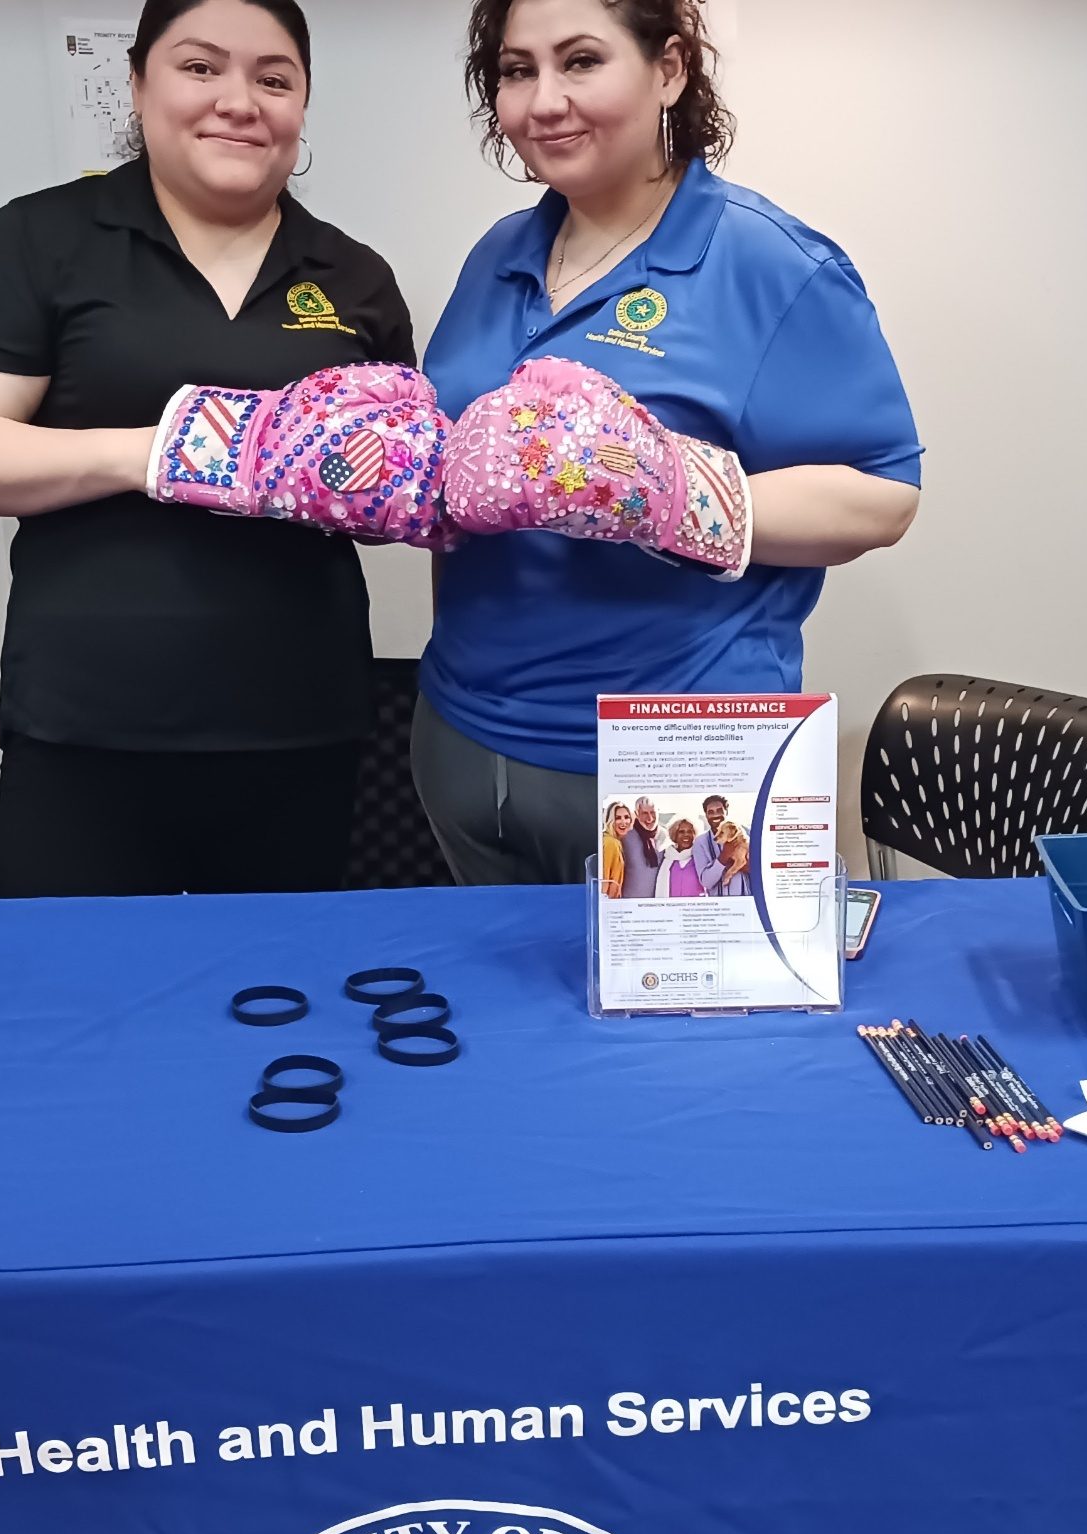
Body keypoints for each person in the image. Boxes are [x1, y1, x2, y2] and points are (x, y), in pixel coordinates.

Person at [0, 0, 421, 898]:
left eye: (273, 78)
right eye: (199, 67)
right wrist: (173, 450)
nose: (239, 100)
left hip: (300, 726)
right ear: (138, 85)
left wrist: (404, 480)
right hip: (88, 727)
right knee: (80, 1007)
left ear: (302, 105)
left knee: (280, 1003)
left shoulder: (354, 275)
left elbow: (385, 508)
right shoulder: (46, 237)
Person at [413, 0, 922, 884]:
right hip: (466, 733)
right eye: (516, 69)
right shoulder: (497, 253)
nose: (544, 100)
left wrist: (668, 492)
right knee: (501, 1023)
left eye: (580, 61)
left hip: (672, 754)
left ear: (670, 69)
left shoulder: (767, 263)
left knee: (682, 1025)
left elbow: (882, 497)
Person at [620, 795, 662, 897]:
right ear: (636, 814)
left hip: (656, 903)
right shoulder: (625, 837)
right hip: (629, 901)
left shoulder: (667, 836)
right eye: (645, 813)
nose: (650, 818)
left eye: (653, 812)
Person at [690, 793, 731, 893]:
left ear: (727, 812)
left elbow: (757, 869)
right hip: (717, 904)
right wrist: (725, 855)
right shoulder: (701, 842)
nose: (715, 815)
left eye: (719, 811)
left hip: (745, 900)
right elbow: (707, 882)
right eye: (711, 812)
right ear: (706, 815)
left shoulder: (745, 834)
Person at [659, 817, 702, 897]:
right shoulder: (667, 858)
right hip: (672, 907)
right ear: (674, 835)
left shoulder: (699, 856)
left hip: (695, 907)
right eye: (681, 832)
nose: (686, 835)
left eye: (690, 831)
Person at [598, 801, 633, 896]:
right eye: (618, 818)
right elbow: (604, 880)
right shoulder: (611, 843)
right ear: (609, 820)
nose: (623, 822)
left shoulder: (611, 840)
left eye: (626, 817)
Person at [710, 819, 750, 897]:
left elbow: (741, 861)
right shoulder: (730, 844)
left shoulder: (742, 845)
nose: (716, 836)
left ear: (732, 833)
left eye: (721, 833)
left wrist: (728, 875)